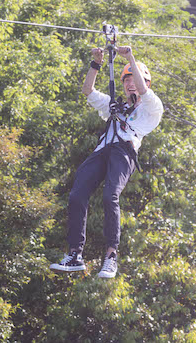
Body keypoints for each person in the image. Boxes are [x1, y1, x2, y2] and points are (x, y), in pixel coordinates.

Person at [50, 46, 163, 278]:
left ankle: (111, 255)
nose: (131, 84)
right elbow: (88, 90)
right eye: (126, 80)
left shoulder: (152, 108)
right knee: (77, 195)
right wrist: (96, 63)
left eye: (135, 80)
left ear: (147, 84)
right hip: (103, 150)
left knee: (110, 195)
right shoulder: (114, 105)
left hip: (123, 152)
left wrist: (130, 59)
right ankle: (74, 255)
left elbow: (141, 89)